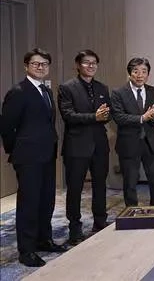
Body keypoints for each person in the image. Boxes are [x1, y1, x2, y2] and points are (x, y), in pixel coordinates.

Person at [1, 48, 67, 267]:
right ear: (26, 66)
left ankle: (43, 239)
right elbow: (7, 126)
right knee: (29, 203)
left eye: (45, 64)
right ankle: (26, 250)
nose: (41, 67)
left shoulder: (46, 91)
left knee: (46, 200)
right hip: (27, 157)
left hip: (47, 154)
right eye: (36, 64)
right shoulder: (19, 91)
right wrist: (16, 150)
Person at [58, 50, 111, 246]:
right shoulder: (67, 88)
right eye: (87, 63)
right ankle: (75, 228)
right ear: (78, 65)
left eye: (94, 63)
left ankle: (100, 221)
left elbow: (108, 114)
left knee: (100, 185)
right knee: (75, 188)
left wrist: (105, 115)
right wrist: (94, 117)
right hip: (77, 146)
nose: (91, 66)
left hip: (99, 144)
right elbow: (68, 116)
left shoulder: (102, 87)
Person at [111, 57, 154, 208]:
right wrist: (142, 118)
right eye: (136, 71)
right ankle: (131, 213)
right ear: (129, 74)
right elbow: (119, 117)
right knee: (130, 183)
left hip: (151, 143)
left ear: (148, 74)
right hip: (129, 144)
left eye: (144, 71)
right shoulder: (118, 93)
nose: (140, 75)